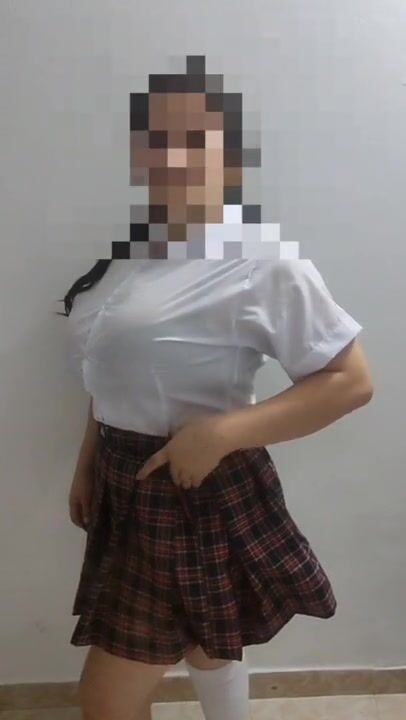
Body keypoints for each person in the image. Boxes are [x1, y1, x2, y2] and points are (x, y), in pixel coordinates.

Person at [58, 56, 373, 720]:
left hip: (192, 485)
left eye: (193, 139)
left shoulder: (263, 260)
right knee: (207, 638)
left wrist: (222, 432)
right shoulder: (132, 254)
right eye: (157, 139)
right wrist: (88, 460)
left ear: (229, 156)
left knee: (105, 700)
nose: (172, 157)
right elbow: (106, 368)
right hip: (123, 477)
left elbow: (349, 381)